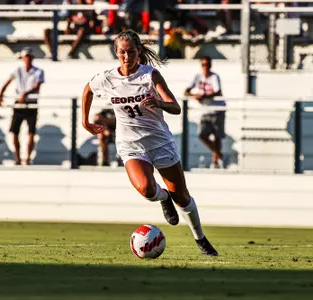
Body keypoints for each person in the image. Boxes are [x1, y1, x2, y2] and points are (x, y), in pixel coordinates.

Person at [81, 29, 218, 256]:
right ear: (116, 52)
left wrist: (159, 103)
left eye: (132, 52)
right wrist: (85, 122)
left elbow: (175, 106)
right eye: (123, 52)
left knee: (182, 197)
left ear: (139, 52)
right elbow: (87, 90)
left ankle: (201, 239)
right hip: (130, 144)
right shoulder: (107, 78)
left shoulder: (149, 75)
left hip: (159, 142)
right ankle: (163, 198)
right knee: (145, 188)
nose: (127, 57)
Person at [0, 47, 45, 165]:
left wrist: (25, 94)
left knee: (31, 132)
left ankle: (27, 158)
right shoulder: (18, 71)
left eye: (29, 57)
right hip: (19, 103)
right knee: (14, 131)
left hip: (31, 103)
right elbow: (6, 83)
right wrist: (0, 95)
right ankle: (18, 158)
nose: (27, 59)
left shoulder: (38, 71)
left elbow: (37, 86)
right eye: (26, 57)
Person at [184, 56, 226, 169]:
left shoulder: (214, 77)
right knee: (202, 135)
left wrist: (203, 96)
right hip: (205, 110)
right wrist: (195, 95)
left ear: (211, 65)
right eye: (203, 64)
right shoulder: (197, 77)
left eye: (207, 64)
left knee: (217, 136)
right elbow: (186, 91)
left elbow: (218, 91)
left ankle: (216, 160)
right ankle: (218, 154)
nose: (205, 67)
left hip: (217, 109)